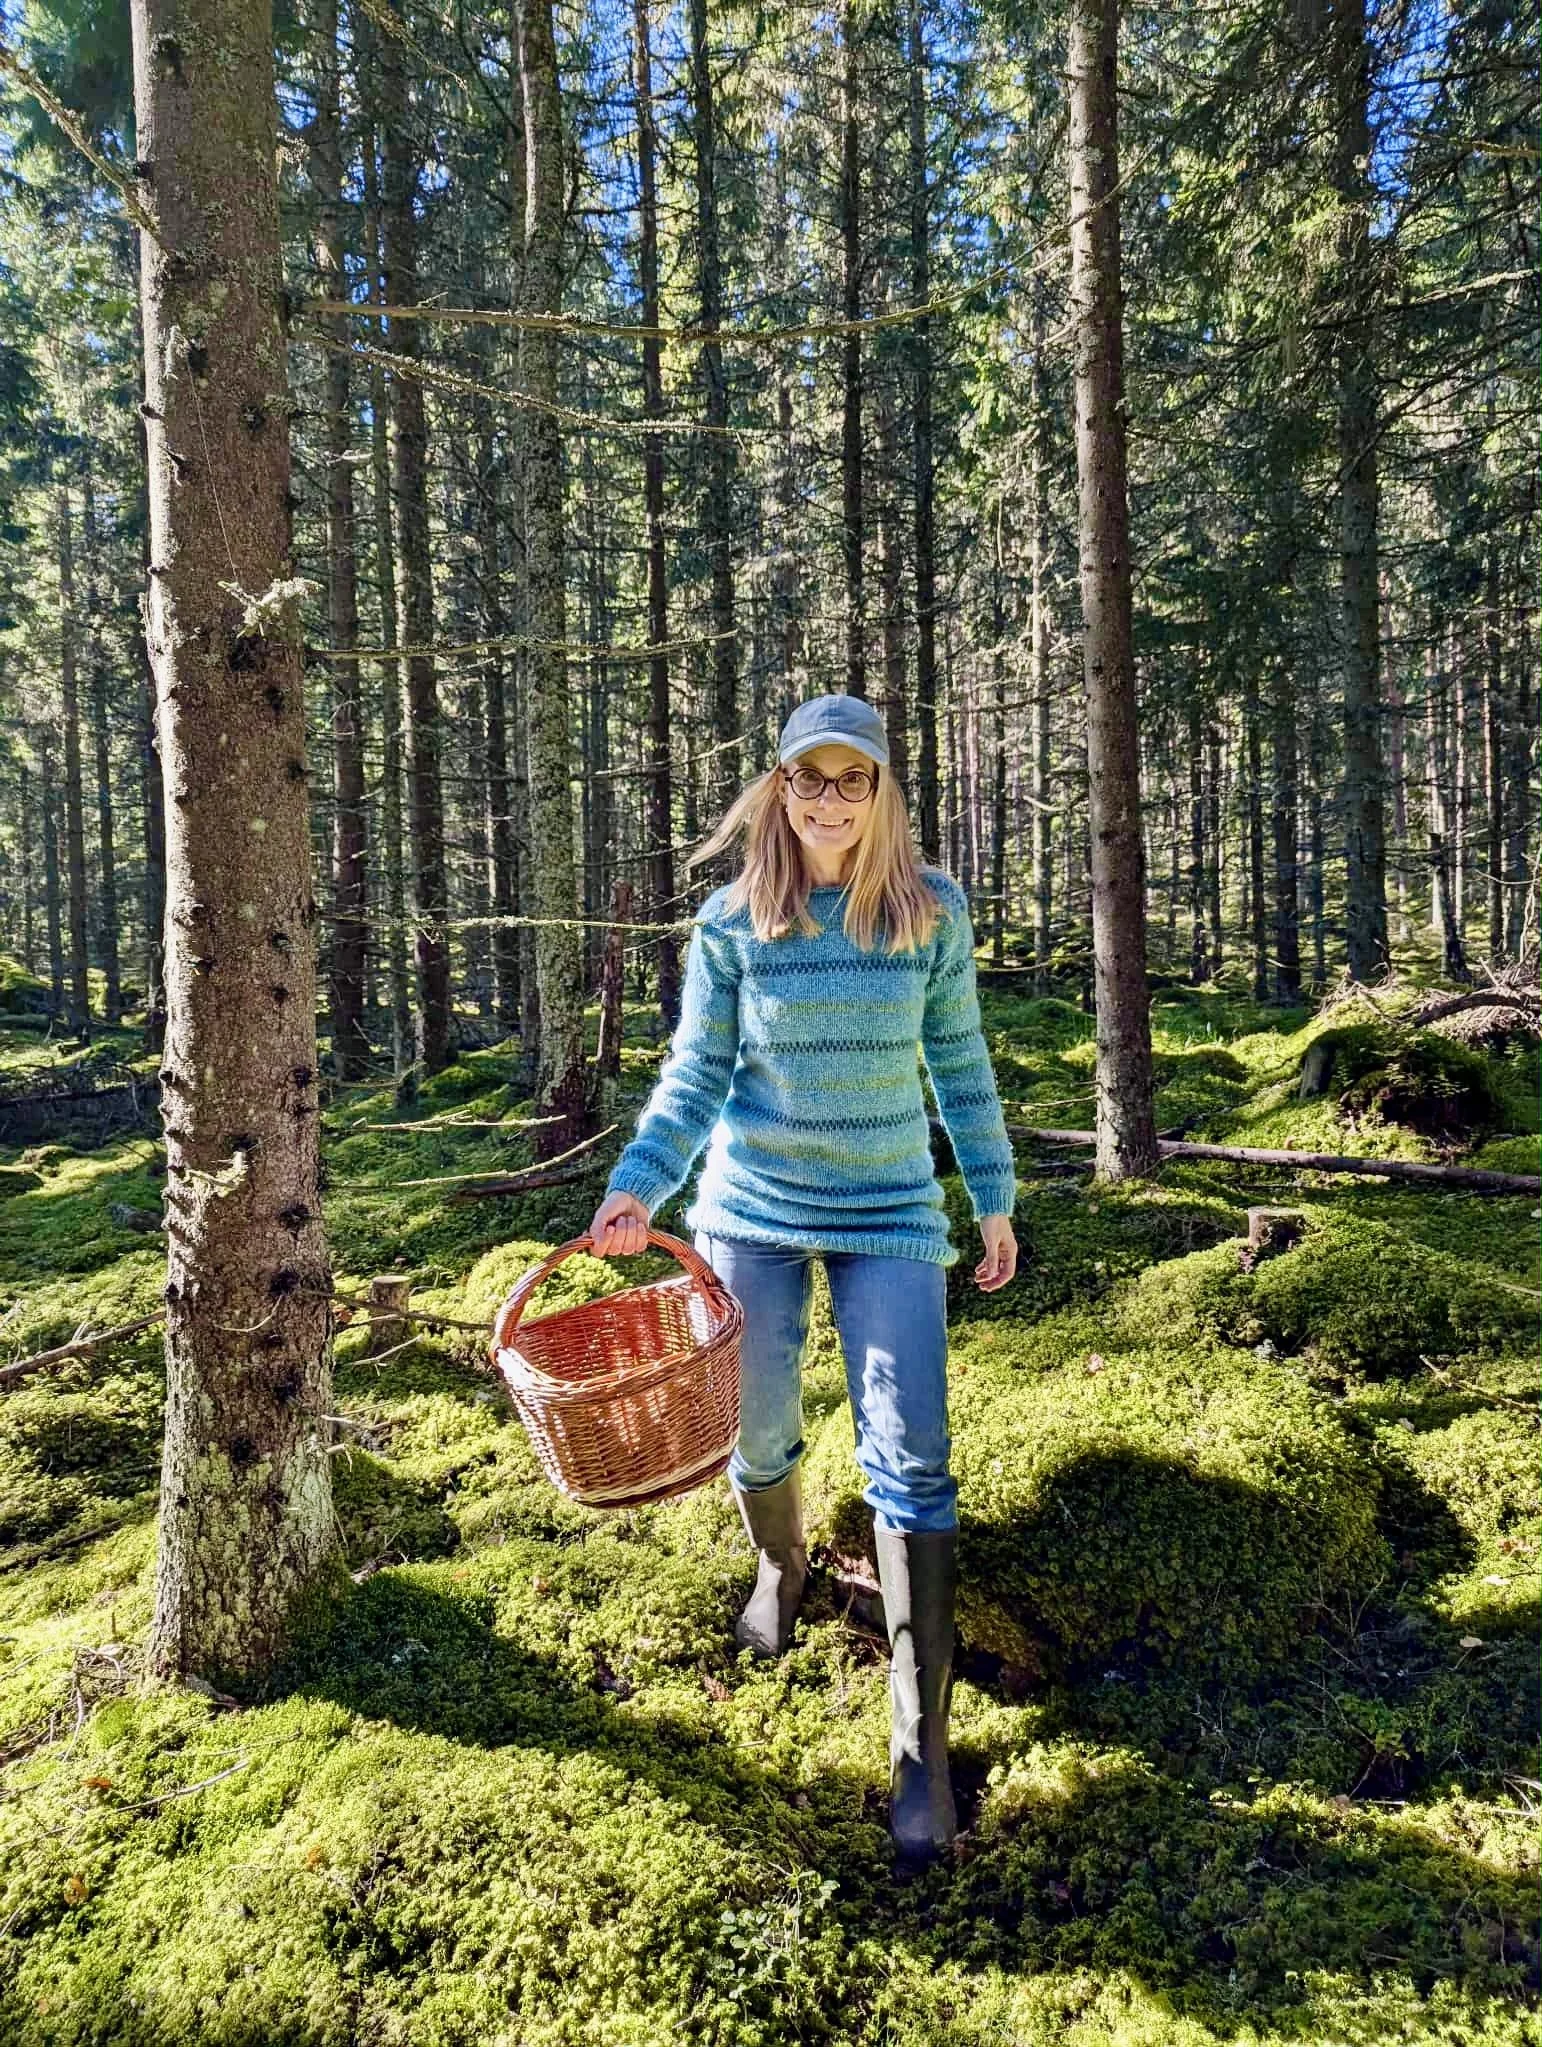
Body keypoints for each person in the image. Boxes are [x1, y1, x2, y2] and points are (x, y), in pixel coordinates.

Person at [587, 692, 1018, 1868]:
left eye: (853, 780)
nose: (829, 799)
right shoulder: (733, 921)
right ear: (778, 787)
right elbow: (693, 1075)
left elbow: (960, 1060)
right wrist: (641, 1186)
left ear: (884, 794)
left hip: (890, 1212)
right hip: (751, 1214)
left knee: (912, 1450)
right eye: (808, 779)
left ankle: (920, 1744)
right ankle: (779, 1564)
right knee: (758, 1432)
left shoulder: (930, 915)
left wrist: (993, 1194)